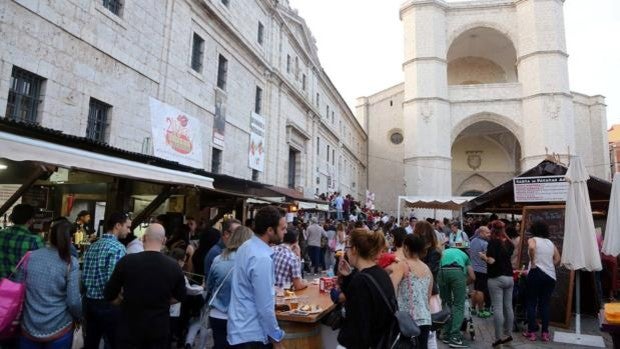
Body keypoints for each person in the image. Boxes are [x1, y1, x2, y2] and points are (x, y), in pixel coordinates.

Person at [104, 223, 186, 348]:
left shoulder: (127, 262)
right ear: (164, 240)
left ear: (143, 238)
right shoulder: (173, 266)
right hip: (158, 330)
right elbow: (180, 295)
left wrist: (123, 300)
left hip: (129, 329)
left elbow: (109, 294)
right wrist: (162, 301)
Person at [227, 206, 287, 348]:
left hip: (239, 329)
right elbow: (265, 306)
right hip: (251, 333)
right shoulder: (262, 258)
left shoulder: (246, 246)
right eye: (283, 228)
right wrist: (276, 337)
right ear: (270, 230)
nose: (285, 232)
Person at [18, 220, 81, 348]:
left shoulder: (30, 256)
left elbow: (19, 288)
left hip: (28, 325)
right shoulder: (70, 262)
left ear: (50, 236)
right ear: (69, 239)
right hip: (59, 327)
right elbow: (73, 301)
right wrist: (80, 317)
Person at [337, 228, 396, 348]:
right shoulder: (381, 273)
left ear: (354, 250)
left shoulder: (361, 281)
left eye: (347, 248)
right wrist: (348, 276)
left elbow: (358, 327)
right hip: (381, 341)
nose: (346, 252)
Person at [82, 212, 130, 349]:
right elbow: (114, 282)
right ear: (117, 226)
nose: (129, 230)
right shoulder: (118, 248)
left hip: (89, 302)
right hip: (108, 304)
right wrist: (119, 301)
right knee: (114, 343)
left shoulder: (93, 246)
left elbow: (84, 276)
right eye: (127, 226)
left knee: (90, 343)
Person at [205, 225, 254, 349]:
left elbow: (209, 286)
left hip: (217, 315)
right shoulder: (251, 262)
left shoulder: (218, 259)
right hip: (241, 317)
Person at [389, 234, 433, 349]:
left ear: (406, 248)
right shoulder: (427, 268)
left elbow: (391, 288)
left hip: (407, 320)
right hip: (425, 319)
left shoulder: (403, 265)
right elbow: (428, 296)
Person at [522, 221, 561, 342]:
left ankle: (531, 332)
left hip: (536, 273)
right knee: (545, 304)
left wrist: (533, 263)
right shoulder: (550, 242)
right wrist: (549, 266)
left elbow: (532, 248)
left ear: (534, 230)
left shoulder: (532, 240)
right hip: (550, 276)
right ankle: (545, 333)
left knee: (531, 302)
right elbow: (558, 258)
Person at [480, 220, 515, 347]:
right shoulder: (509, 243)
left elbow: (492, 261)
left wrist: (483, 257)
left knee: (498, 308)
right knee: (508, 307)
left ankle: (498, 339)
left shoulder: (493, 242)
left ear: (492, 229)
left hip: (496, 278)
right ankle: (508, 336)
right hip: (509, 278)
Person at [439, 247, 476, 348]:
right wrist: (463, 284)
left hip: (441, 271)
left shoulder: (444, 252)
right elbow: (472, 277)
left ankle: (446, 334)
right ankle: (455, 337)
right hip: (456, 271)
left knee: (446, 303)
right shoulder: (465, 256)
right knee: (459, 305)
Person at [167, 248, 203, 349]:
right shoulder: (179, 273)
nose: (185, 262)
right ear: (179, 260)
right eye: (184, 260)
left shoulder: (166, 269)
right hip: (174, 309)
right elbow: (189, 289)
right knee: (171, 331)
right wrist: (202, 287)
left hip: (164, 307)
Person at [0, 204, 44, 278]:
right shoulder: (34, 240)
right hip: (21, 287)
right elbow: (41, 265)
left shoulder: (1, 234)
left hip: (2, 284)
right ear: (31, 220)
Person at [469, 226, 491, 318]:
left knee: (475, 289)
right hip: (483, 269)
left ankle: (473, 308)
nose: (489, 234)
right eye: (487, 233)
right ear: (481, 233)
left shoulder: (473, 241)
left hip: (474, 268)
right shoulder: (485, 244)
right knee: (481, 291)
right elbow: (487, 258)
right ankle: (481, 310)